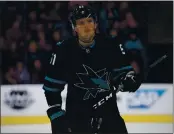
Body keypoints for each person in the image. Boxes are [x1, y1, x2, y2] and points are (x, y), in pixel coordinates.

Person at [43, 5, 144, 134]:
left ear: (96, 24)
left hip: (109, 114)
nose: (86, 26)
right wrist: (56, 114)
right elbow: (51, 86)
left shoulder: (110, 45)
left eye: (90, 21)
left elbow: (123, 73)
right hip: (77, 117)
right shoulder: (64, 50)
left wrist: (129, 80)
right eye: (81, 23)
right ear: (74, 28)